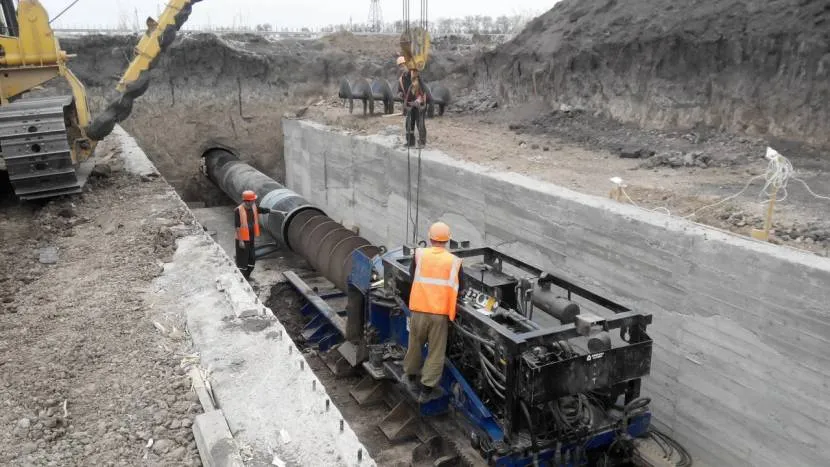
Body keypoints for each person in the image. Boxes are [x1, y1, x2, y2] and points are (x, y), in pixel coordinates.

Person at [403, 221, 464, 402]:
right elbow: (461, 288)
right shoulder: (454, 262)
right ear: (448, 240)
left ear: (430, 238)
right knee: (436, 351)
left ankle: (411, 378)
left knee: (415, 345)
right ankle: (426, 391)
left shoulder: (419, 255)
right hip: (439, 314)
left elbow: (412, 277)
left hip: (419, 310)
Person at [234, 190, 271, 278]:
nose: (254, 201)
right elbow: (237, 226)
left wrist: (272, 211)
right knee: (242, 261)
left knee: (252, 259)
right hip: (242, 239)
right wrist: (241, 241)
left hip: (251, 237)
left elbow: (262, 210)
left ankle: (247, 276)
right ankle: (242, 279)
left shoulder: (253, 207)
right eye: (252, 200)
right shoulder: (238, 210)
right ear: (247, 201)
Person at [400, 68, 427, 147]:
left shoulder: (420, 83)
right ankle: (410, 141)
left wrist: (418, 101)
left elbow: (423, 95)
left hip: (419, 107)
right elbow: (405, 92)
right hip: (410, 106)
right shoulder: (405, 79)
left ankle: (422, 142)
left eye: (415, 72)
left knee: (420, 124)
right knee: (409, 124)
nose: (413, 73)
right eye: (412, 72)